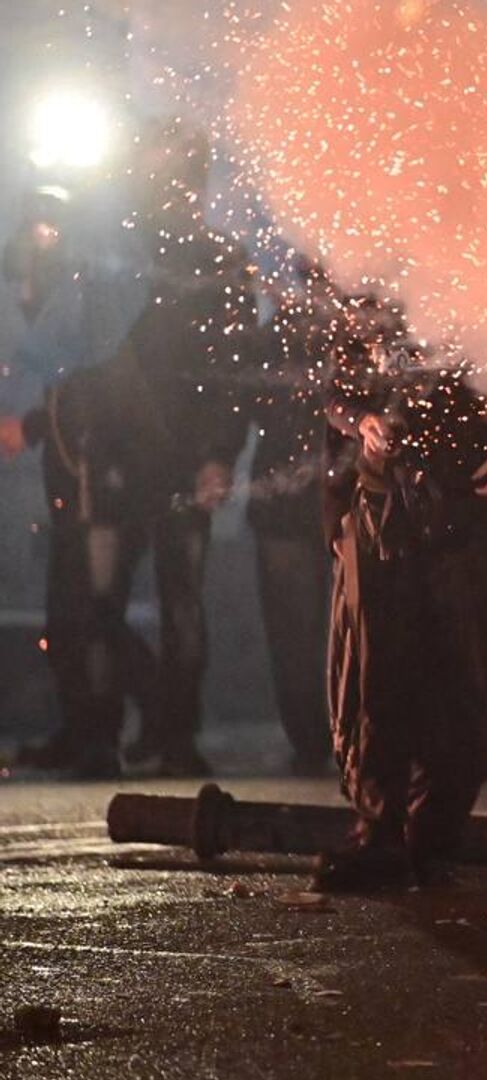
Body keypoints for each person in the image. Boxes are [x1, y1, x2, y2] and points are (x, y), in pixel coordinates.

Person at [319, 294, 487, 901]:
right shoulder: (375, 276)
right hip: (397, 510)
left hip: (483, 511)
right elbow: (338, 387)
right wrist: (362, 422)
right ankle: (383, 830)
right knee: (386, 671)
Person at [47, 123, 256, 778]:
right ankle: (100, 732)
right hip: (110, 457)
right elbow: (84, 356)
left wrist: (219, 454)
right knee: (99, 599)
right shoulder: (115, 255)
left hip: (183, 458)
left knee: (182, 604)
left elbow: (234, 370)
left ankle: (173, 733)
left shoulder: (219, 261)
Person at [0, 187, 161, 775]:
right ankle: (81, 728)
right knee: (68, 611)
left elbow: (97, 399)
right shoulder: (60, 314)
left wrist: (36, 424)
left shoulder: (96, 311)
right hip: (77, 476)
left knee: (95, 611)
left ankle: (120, 729)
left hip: (105, 478)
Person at [248, 254, 340, 775]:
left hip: (328, 494)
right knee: (297, 628)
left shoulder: (296, 333)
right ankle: (311, 737)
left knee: (318, 628)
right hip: (292, 498)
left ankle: (322, 737)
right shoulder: (280, 334)